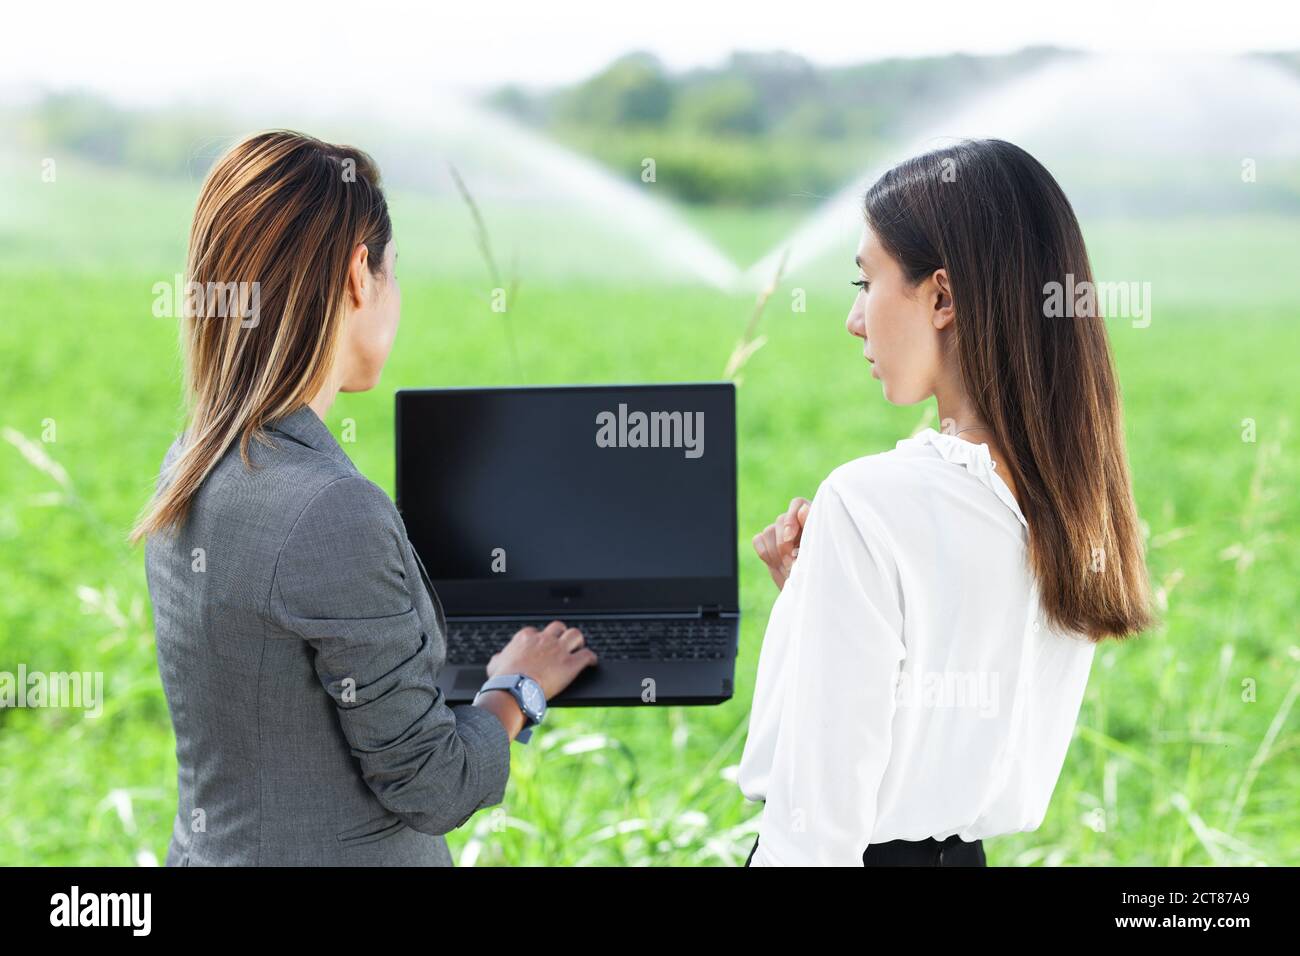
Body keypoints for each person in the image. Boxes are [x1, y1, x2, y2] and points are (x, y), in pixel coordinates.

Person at [132, 130, 596, 865]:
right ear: (358, 275)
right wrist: (519, 687)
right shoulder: (327, 509)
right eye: (393, 270)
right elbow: (433, 786)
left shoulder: (189, 463)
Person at [740, 139, 1152, 867]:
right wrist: (817, 598)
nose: (854, 319)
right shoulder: (1076, 500)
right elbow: (943, 684)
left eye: (865, 281)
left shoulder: (869, 502)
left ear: (943, 297)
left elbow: (817, 822)